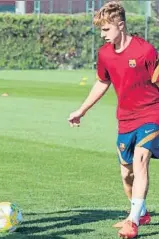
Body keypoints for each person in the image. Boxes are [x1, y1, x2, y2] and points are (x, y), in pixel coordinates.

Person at [68, 2, 159, 238]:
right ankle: (142, 212)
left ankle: (133, 222)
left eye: (106, 29)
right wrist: (81, 110)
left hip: (151, 113)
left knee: (141, 161)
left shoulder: (145, 51)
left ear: (121, 25)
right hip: (125, 119)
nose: (102, 35)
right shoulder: (104, 54)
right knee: (126, 174)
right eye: (100, 30)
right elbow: (102, 82)